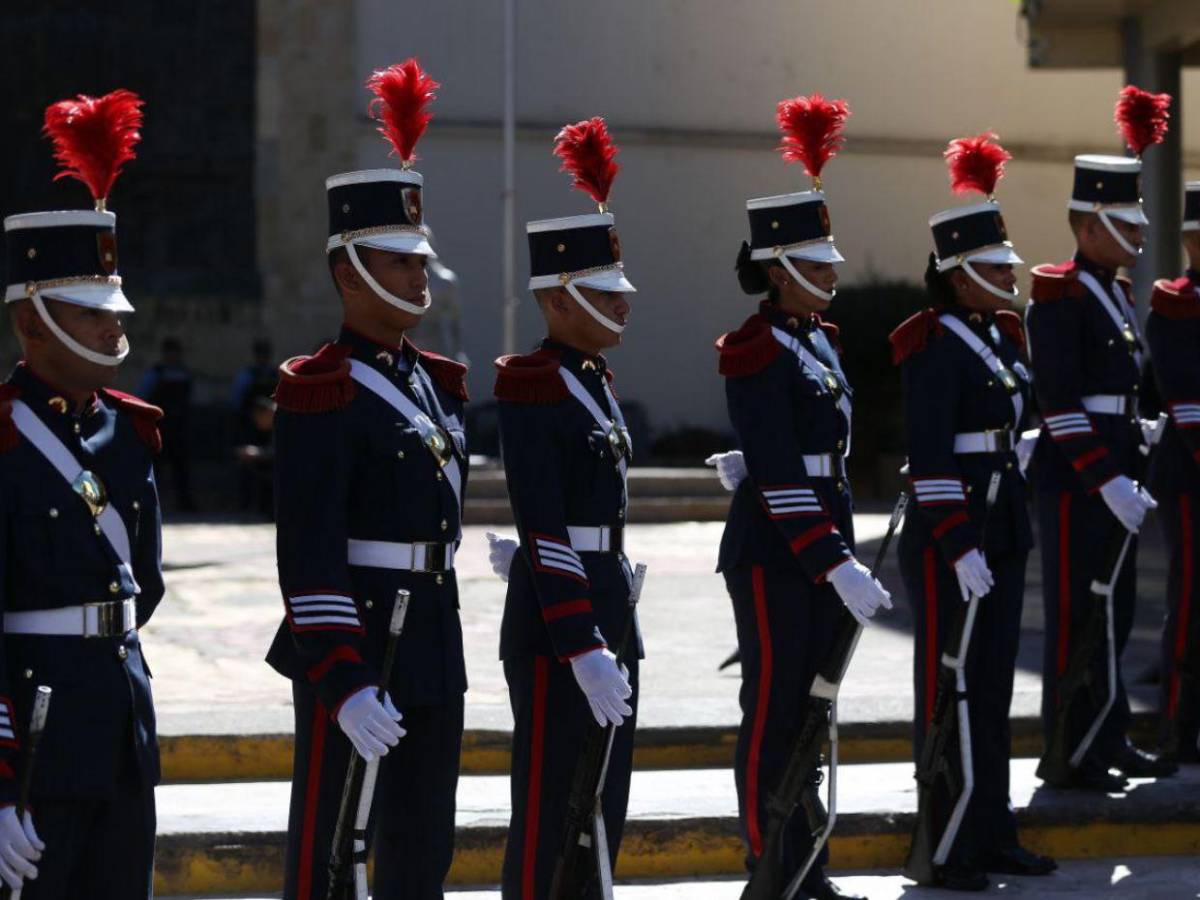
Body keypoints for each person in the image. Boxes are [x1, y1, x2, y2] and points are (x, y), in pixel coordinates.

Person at [266, 59, 470, 899]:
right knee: (330, 848)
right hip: (355, 643)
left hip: (431, 638)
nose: (419, 273)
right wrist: (343, 677)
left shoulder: (436, 380)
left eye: (420, 258)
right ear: (349, 271)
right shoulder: (321, 386)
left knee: (422, 846)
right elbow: (308, 549)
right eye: (398, 261)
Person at [714, 94, 886, 900]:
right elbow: (781, 475)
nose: (831, 275)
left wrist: (841, 553)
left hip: (822, 539)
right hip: (777, 554)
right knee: (777, 707)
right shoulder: (754, 349)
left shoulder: (816, 340)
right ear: (777, 270)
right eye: (816, 266)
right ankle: (768, 860)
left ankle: (806, 862)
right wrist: (832, 563)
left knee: (812, 711)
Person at [0, 88, 163, 898]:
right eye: (89, 312)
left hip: (120, 732)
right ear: (31, 322)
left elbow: (148, 584)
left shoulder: (129, 432)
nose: (111, 327)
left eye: (113, 310)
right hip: (31, 740)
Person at [890, 134, 1054, 890]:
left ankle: (992, 831)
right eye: (993, 270)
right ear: (957, 278)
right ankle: (946, 840)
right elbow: (929, 459)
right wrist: (957, 544)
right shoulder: (932, 346)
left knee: (991, 690)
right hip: (953, 540)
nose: (1007, 279)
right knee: (947, 688)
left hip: (1003, 526)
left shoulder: (1003, 335)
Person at [495, 117, 639, 900]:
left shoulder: (594, 380)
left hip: (609, 598)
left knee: (602, 799)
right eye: (605, 295)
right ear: (557, 298)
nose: (623, 308)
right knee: (553, 803)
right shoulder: (532, 382)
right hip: (562, 621)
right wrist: (578, 638)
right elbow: (543, 525)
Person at [1025, 86, 1176, 791]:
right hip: (1077, 480)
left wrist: (1137, 437)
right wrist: (1103, 475)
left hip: (1118, 463)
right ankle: (1070, 746)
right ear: (1087, 228)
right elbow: (1056, 400)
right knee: (1075, 613)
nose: (1139, 236)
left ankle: (1105, 736)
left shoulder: (1114, 293)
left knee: (1112, 612)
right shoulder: (1061, 291)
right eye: (1124, 225)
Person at [1146, 180, 1200, 763]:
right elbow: (1186, 400)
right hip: (1190, 477)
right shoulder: (1176, 301)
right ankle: (1177, 731)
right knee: (1189, 606)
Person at [137, 336, 197, 512]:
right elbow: (142, 396)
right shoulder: (155, 373)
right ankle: (155, 502)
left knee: (181, 468)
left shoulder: (184, 373)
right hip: (161, 427)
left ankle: (184, 502)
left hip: (180, 427)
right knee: (157, 468)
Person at [230, 339, 277, 515]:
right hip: (250, 429)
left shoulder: (275, 374)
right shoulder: (247, 375)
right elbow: (237, 403)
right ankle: (248, 503)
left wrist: (259, 453)